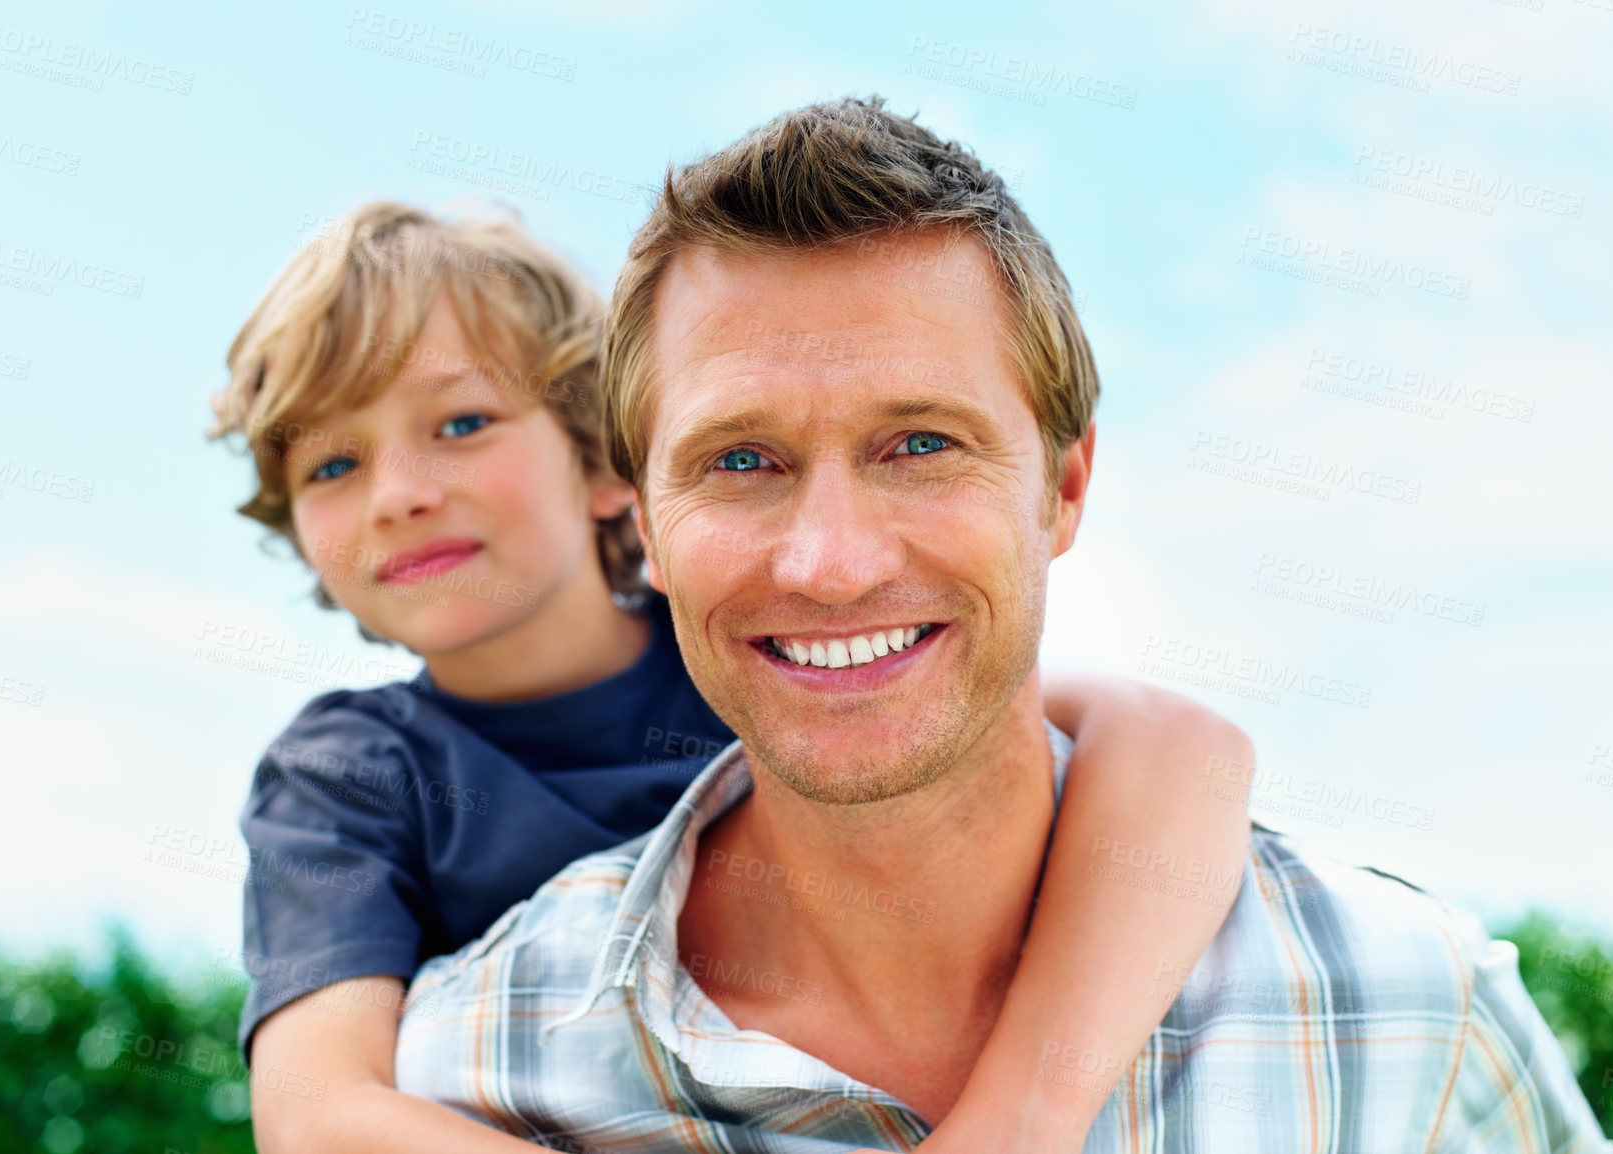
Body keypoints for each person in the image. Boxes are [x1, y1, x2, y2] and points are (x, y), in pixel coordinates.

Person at [392, 96, 1613, 1153]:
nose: (829, 562)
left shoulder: (1407, 1013)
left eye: (921, 444)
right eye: (742, 458)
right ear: (648, 526)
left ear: (1063, 487)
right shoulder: (469, 1070)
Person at [210, 199, 1255, 1154]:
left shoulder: (759, 634)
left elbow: (1185, 753)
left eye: (461, 423)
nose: (397, 492)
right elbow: (316, 1116)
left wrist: (1019, 1115)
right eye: (331, 463)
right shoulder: (343, 774)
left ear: (610, 465)